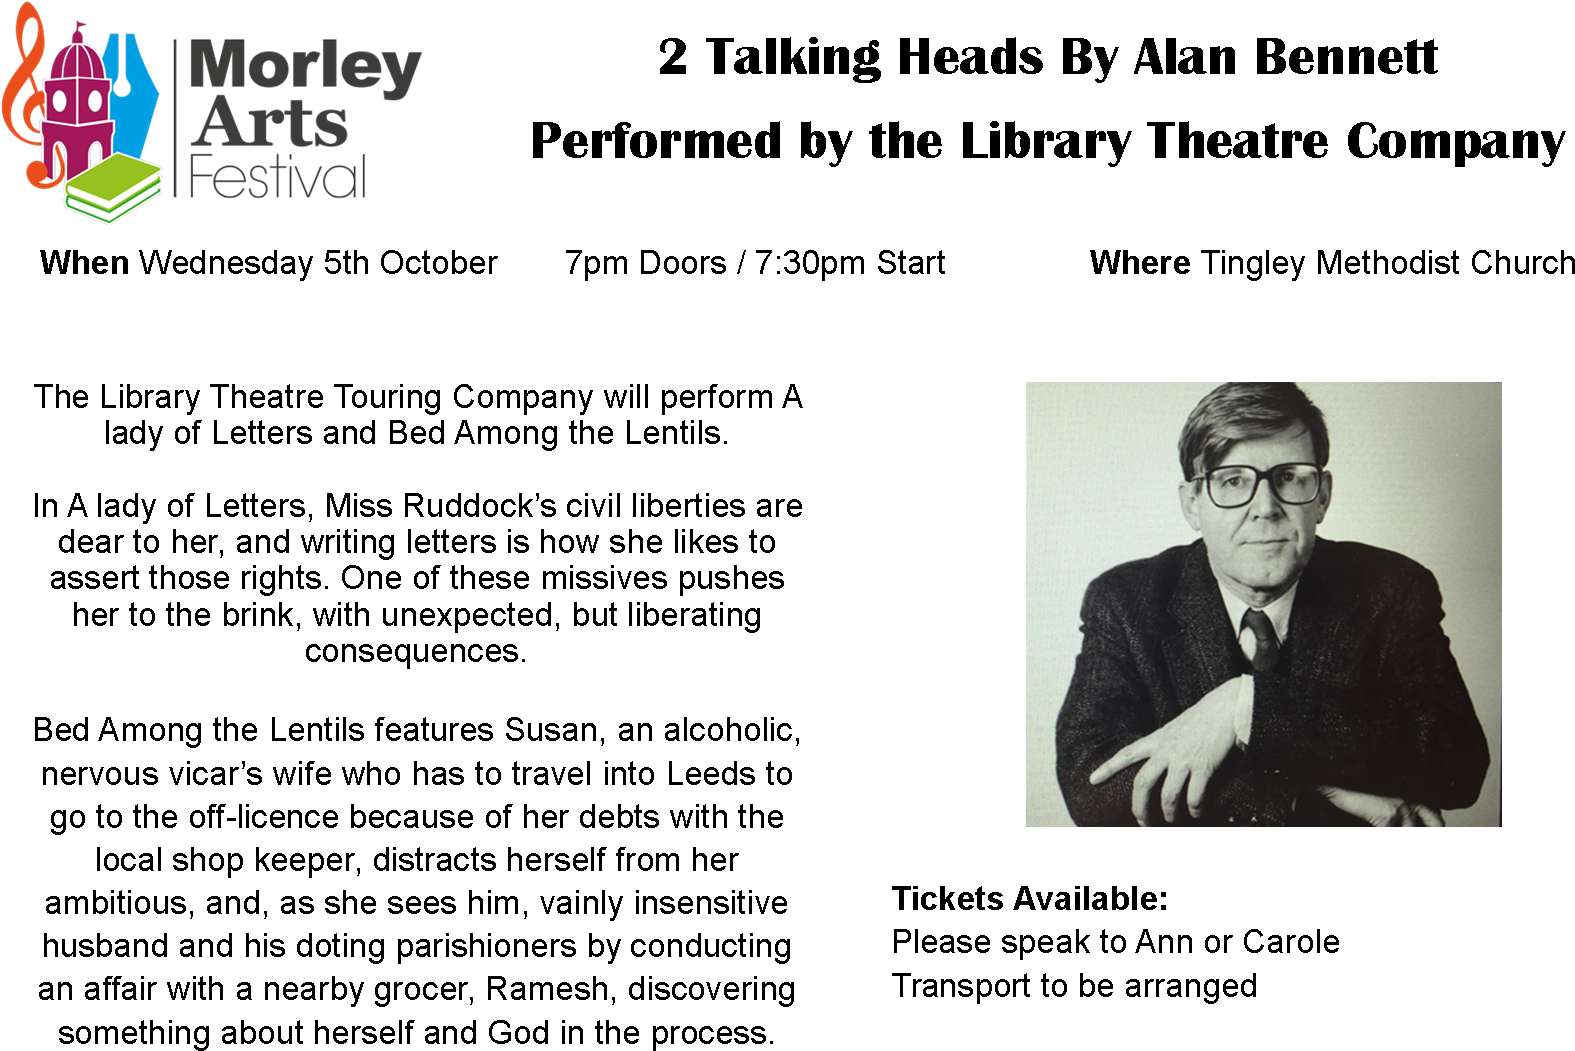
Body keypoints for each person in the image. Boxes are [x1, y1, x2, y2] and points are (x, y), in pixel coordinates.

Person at [1056, 382, 1490, 827]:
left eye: (1289, 477)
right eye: (1233, 481)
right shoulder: (1125, 601)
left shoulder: (1394, 589)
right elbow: (1091, 786)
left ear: (1322, 496)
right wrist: (1304, 800)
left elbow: (1458, 763)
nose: (1266, 507)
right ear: (1192, 504)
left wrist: (1245, 707)